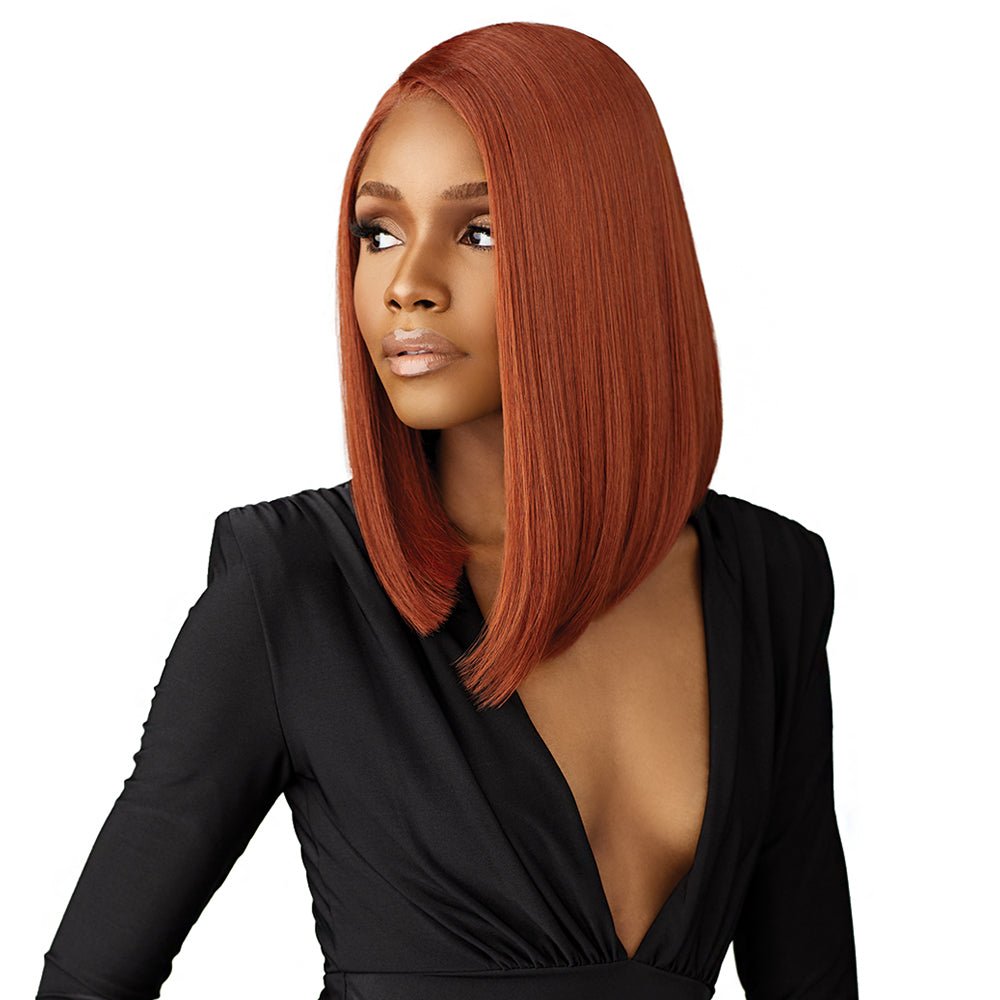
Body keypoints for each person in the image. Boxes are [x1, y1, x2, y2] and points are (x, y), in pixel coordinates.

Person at [36, 20, 858, 1000]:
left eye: (478, 232)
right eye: (377, 232)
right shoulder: (291, 588)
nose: (406, 285)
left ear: (605, 253)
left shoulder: (770, 582)